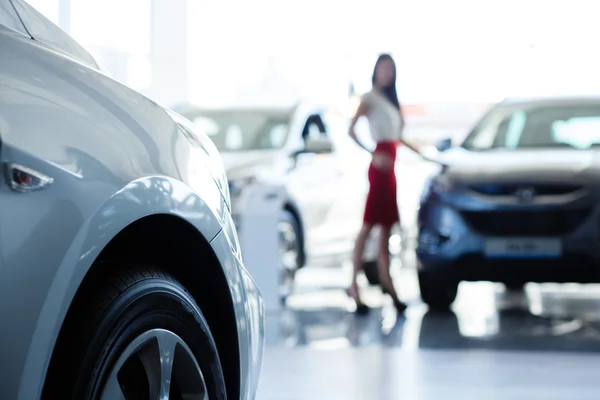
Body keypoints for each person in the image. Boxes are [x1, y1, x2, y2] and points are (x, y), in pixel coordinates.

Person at [347, 53, 408, 315]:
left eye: (391, 69)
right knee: (369, 226)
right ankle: (354, 285)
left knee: (385, 230)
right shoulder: (369, 98)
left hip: (391, 168)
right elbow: (351, 130)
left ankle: (388, 283)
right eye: (384, 68)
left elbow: (400, 138)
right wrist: (373, 153)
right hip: (380, 168)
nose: (387, 73)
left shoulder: (392, 101)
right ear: (376, 71)